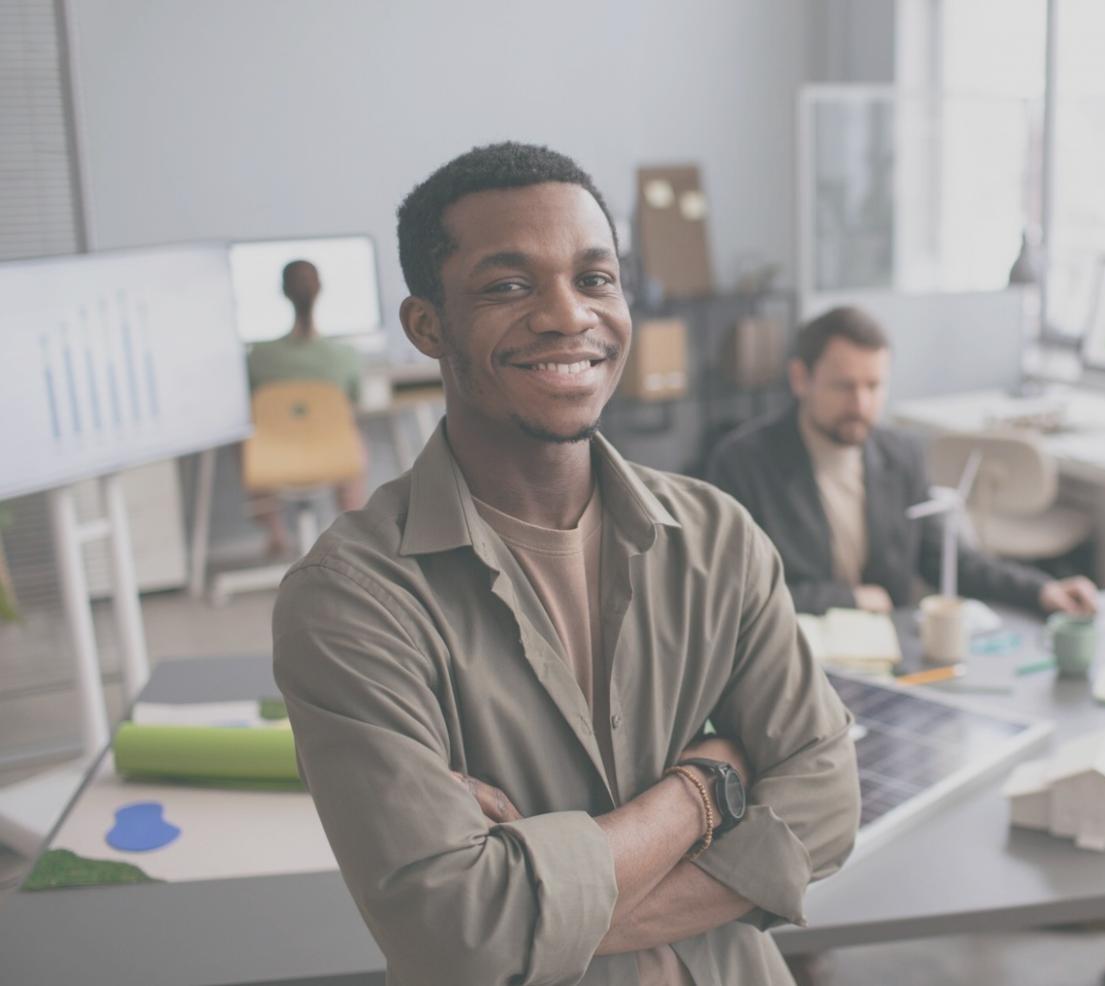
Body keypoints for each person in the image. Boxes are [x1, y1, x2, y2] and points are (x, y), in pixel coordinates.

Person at [271, 143, 860, 986]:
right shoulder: (353, 600)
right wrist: (704, 788)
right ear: (428, 325)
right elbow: (456, 931)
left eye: (594, 278)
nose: (567, 315)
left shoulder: (715, 537)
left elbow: (827, 806)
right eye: (509, 286)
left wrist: (532, 912)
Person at [707, 305, 1098, 618]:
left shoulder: (902, 455)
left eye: (874, 386)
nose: (861, 404)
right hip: (792, 654)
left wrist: (1041, 590)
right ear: (800, 379)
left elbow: (948, 560)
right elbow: (733, 593)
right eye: (844, 386)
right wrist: (846, 599)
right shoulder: (744, 462)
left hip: (887, 655)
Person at [245, 259, 367, 554]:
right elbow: (356, 399)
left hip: (271, 460)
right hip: (333, 458)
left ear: (283, 292)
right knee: (349, 430)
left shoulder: (258, 357)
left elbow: (248, 405)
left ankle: (274, 530)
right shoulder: (345, 356)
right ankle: (352, 526)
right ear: (320, 290)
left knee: (247, 435)